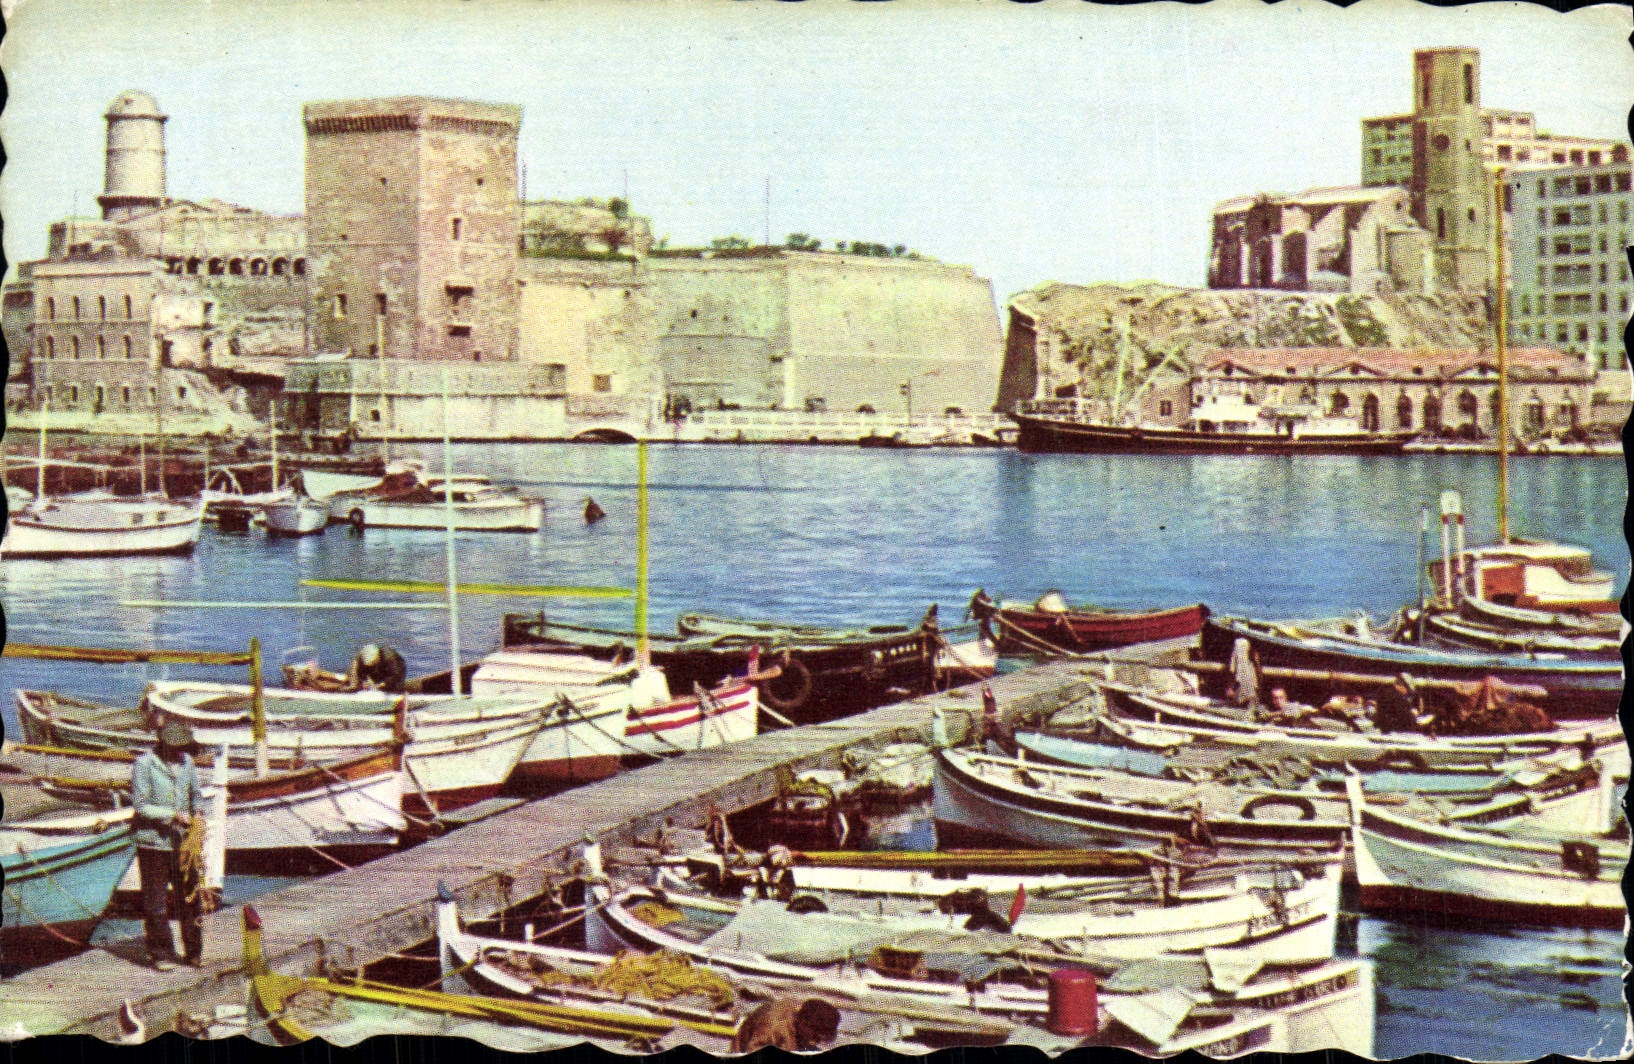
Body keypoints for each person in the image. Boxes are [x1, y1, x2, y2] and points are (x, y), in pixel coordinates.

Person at [131, 721, 206, 970]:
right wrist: (173, 814)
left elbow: (195, 795)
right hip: (153, 843)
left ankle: (194, 951)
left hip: (182, 844)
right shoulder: (144, 764)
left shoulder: (188, 763)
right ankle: (161, 953)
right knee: (155, 900)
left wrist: (198, 813)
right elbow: (141, 805)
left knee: (190, 898)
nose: (179, 752)